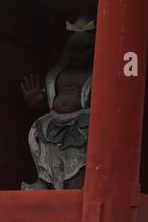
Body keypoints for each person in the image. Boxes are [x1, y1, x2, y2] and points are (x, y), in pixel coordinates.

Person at [19, 18, 95, 190]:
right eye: (73, 50)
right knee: (41, 137)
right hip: (54, 120)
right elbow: (47, 98)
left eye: (83, 50)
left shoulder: (93, 74)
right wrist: (36, 100)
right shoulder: (59, 74)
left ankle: (77, 178)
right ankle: (45, 179)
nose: (77, 55)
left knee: (76, 153)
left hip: (81, 120)